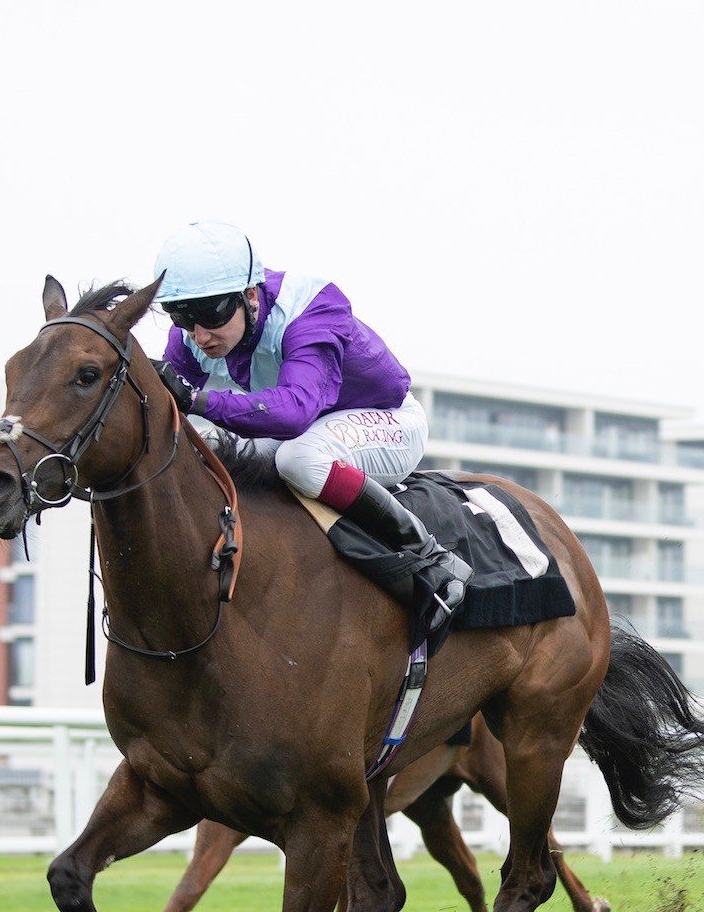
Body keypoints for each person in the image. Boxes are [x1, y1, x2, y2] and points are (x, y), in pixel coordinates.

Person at [152, 221, 469, 635]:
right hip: (313, 427)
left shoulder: (311, 309)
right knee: (209, 446)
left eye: (211, 313)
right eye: (182, 316)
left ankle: (430, 555)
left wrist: (198, 400)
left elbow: (293, 414)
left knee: (298, 460)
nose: (198, 334)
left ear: (250, 296)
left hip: (389, 420)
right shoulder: (192, 337)